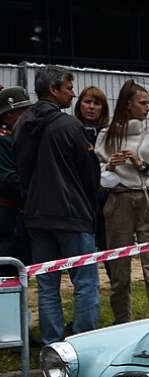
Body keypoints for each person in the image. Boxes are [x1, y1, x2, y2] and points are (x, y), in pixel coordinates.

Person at [13, 65, 100, 345]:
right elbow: (90, 173)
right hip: (72, 215)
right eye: (69, 88)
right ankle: (83, 344)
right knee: (85, 283)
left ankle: (52, 346)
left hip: (36, 217)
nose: (73, 94)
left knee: (47, 285)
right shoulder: (70, 126)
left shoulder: (20, 125)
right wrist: (91, 204)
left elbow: (21, 171)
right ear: (53, 90)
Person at [95, 79, 149, 324]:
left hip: (147, 201)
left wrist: (143, 165)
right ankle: (122, 323)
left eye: (148, 102)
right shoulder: (107, 134)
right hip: (117, 201)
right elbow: (93, 172)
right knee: (119, 270)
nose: (148, 107)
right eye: (143, 103)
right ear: (128, 104)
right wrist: (109, 165)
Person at [74, 86, 111, 277]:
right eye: (87, 102)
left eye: (96, 103)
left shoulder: (112, 132)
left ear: (103, 108)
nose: (91, 107)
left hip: (107, 200)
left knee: (111, 252)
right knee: (82, 253)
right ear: (79, 104)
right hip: (79, 200)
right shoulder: (71, 129)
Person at [0, 86, 33, 278]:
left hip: (14, 216)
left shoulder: (15, 138)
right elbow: (7, 180)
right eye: (24, 110)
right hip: (7, 219)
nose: (28, 114)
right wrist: (36, 192)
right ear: (9, 113)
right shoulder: (4, 140)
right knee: (8, 275)